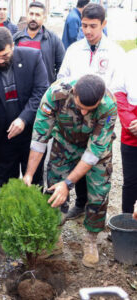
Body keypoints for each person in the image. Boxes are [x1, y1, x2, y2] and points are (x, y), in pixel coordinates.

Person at [23, 75, 117, 268]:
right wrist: (29, 174)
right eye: (80, 106)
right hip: (65, 144)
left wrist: (69, 183)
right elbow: (40, 137)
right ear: (73, 93)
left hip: (97, 152)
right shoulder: (55, 95)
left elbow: (93, 153)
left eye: (89, 110)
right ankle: (54, 235)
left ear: (100, 101)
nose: (83, 112)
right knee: (54, 188)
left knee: (99, 194)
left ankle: (91, 239)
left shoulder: (109, 106)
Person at [58, 3, 125, 221]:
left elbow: (116, 89)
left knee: (96, 165)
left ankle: (94, 218)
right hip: (74, 121)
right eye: (84, 25)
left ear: (103, 24)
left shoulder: (115, 52)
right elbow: (61, 80)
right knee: (75, 160)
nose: (88, 31)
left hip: (100, 120)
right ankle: (79, 203)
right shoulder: (74, 50)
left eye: (93, 26)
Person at [0, 27, 48, 191]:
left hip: (31, 132)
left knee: (34, 180)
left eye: (5, 56)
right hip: (3, 137)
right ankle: (7, 215)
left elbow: (40, 92)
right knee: (5, 182)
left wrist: (23, 118)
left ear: (13, 46)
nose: (0, 61)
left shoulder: (33, 57)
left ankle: (33, 214)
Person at [13, 1, 65, 84]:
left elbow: (62, 67)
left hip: (43, 91)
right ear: (27, 15)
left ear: (44, 18)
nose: (33, 18)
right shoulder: (16, 39)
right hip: (21, 91)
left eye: (37, 15)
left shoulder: (53, 39)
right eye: (31, 14)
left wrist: (53, 86)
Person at [113, 49, 137, 215]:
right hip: (132, 133)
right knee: (130, 181)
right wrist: (129, 122)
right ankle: (127, 224)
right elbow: (118, 93)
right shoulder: (129, 58)